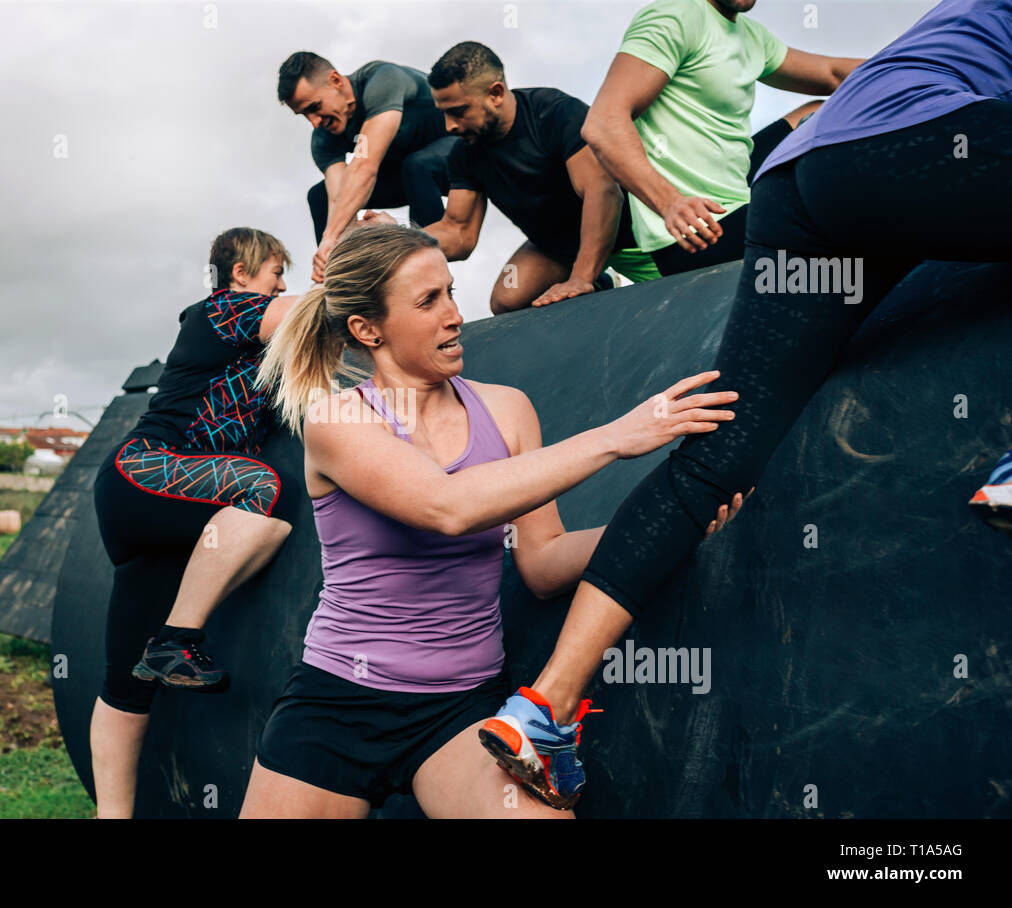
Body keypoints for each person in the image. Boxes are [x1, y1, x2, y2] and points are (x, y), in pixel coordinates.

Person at [480, 0, 1012, 809]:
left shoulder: (946, 26)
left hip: (804, 185)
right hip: (910, 152)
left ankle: (543, 708)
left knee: (719, 452)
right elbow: (608, 122)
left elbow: (843, 75)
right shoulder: (676, 20)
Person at [237, 223, 743, 818]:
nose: (454, 315)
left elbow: (543, 564)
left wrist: (665, 527)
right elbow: (447, 507)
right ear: (366, 329)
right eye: (428, 302)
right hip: (340, 703)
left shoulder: (506, 409)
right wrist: (616, 437)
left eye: (450, 291)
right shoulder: (338, 421)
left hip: (460, 708)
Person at [89, 227, 300, 818]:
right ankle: (178, 641)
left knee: (124, 685)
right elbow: (310, 313)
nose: (282, 284)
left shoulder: (251, 347)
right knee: (264, 492)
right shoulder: (220, 313)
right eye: (274, 272)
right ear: (240, 275)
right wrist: (349, 257)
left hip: (154, 519)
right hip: (148, 472)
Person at [581, 0, 864, 277]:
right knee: (846, 220)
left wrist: (905, 64)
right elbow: (604, 123)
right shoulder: (676, 16)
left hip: (740, 201)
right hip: (697, 231)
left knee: (823, 111)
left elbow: (832, 74)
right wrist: (670, 203)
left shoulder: (752, 36)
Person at [417, 41, 659, 314]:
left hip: (626, 234)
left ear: (495, 93)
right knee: (507, 300)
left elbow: (602, 191)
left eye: (459, 111)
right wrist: (396, 239)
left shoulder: (554, 112)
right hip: (558, 246)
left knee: (689, 285)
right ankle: (603, 284)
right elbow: (458, 232)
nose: (450, 125)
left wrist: (581, 277)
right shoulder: (465, 153)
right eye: (444, 113)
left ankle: (591, 276)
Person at [277, 52, 460, 281]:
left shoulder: (382, 80)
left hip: (456, 156)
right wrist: (335, 247)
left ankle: (428, 272)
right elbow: (338, 199)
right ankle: (346, 287)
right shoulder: (323, 138)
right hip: (407, 177)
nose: (314, 121)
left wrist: (330, 237)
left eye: (315, 107)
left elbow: (366, 166)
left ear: (336, 80)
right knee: (320, 197)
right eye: (304, 114)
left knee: (416, 165)